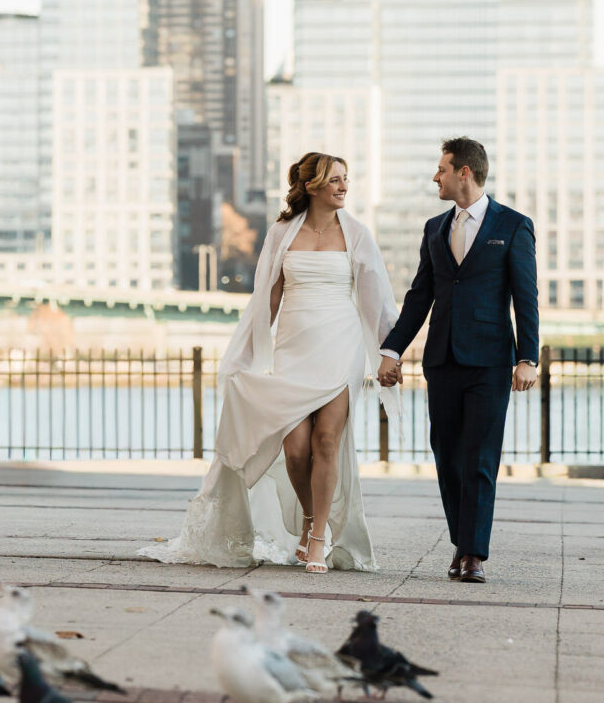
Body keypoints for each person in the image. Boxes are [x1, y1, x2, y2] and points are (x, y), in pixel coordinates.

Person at [140, 152, 400, 573]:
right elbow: (268, 300)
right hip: (294, 349)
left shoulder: (357, 234)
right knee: (296, 450)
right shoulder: (282, 233)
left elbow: (377, 301)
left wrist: (389, 352)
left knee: (327, 441)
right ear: (312, 186)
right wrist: (243, 358)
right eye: (335, 180)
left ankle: (317, 539)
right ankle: (313, 516)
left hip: (340, 346)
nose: (343, 187)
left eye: (346, 179)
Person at [378, 137, 539, 584]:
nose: (436, 176)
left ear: (464, 172)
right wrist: (392, 349)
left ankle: (473, 554)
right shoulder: (434, 228)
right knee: (447, 456)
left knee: (480, 458)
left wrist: (528, 357)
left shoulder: (514, 225)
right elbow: (419, 296)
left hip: (490, 362)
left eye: (442, 169)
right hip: (442, 360)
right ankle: (460, 541)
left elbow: (526, 297)